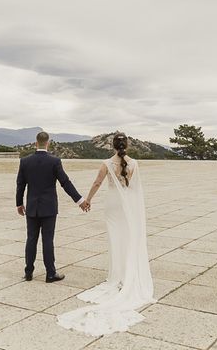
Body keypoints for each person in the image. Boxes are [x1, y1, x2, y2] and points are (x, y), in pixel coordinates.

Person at [57, 132, 155, 335]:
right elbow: (135, 189)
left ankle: (116, 277)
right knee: (127, 241)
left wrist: (88, 200)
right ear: (127, 145)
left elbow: (97, 183)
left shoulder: (107, 164)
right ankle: (126, 275)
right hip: (126, 206)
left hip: (112, 206)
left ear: (112, 146)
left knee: (115, 242)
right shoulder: (135, 164)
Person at [16, 131, 90, 282]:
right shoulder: (54, 161)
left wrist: (19, 203)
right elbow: (65, 183)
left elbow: (20, 185)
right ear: (47, 143)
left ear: (36, 143)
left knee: (31, 239)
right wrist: (80, 200)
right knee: (47, 240)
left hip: (32, 208)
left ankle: (28, 272)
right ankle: (50, 273)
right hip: (49, 208)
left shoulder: (25, 161)